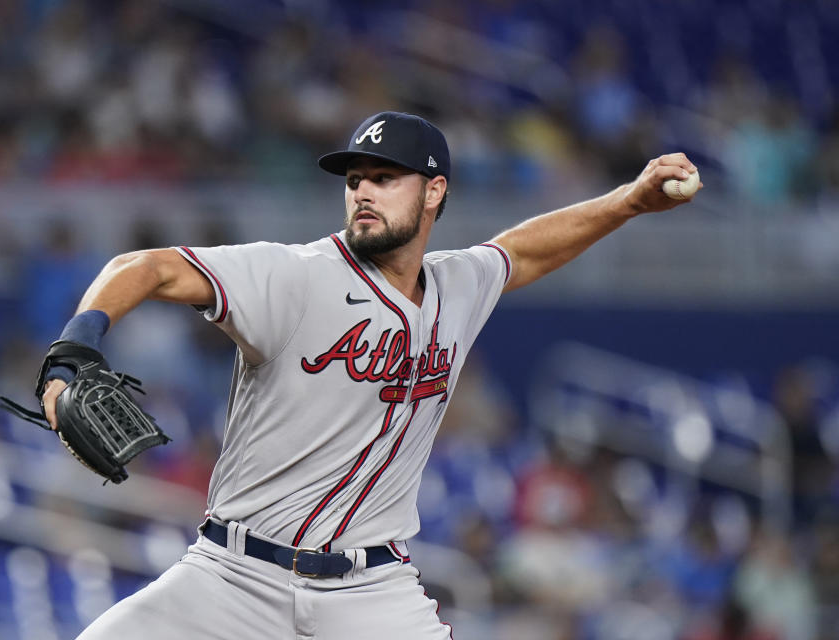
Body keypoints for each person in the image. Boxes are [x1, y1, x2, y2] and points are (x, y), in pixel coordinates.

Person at [41, 111, 701, 639]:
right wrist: (76, 345)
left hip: (370, 594)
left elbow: (522, 251)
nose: (363, 190)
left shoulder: (457, 287)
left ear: (434, 190)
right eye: (356, 176)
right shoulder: (294, 276)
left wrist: (628, 202)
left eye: (387, 177)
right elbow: (148, 266)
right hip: (231, 579)